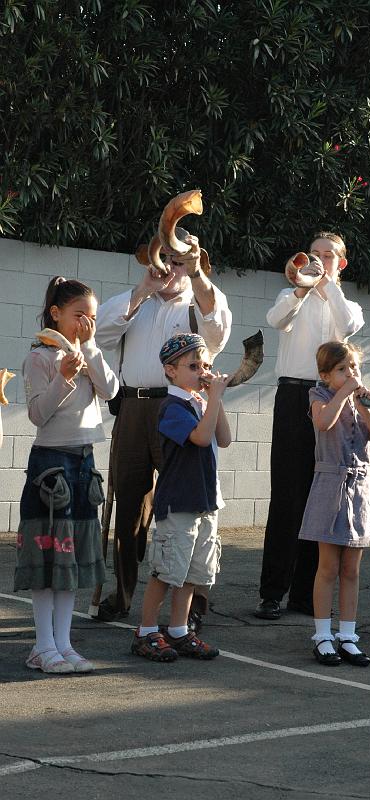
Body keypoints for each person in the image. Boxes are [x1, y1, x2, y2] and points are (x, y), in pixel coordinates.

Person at [95, 235, 232, 624]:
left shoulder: (201, 298)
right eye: (163, 258)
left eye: (178, 261)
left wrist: (197, 273)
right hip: (135, 406)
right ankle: (122, 595)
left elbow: (218, 331)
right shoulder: (135, 299)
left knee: (192, 503)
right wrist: (142, 290)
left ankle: (192, 608)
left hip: (183, 406)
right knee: (129, 506)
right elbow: (101, 334)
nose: (168, 267)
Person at [255, 232, 364, 620]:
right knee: (287, 495)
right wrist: (302, 288)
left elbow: (348, 326)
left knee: (322, 496)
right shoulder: (292, 299)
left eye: (328, 256)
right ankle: (272, 592)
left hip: (332, 400)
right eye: (314, 255)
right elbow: (275, 319)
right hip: (293, 397)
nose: (319, 261)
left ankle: (304, 595)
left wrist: (328, 286)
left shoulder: (347, 303)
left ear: (341, 263)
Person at [14, 276, 118, 674]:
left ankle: (64, 642)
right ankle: (42, 646)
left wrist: (90, 351)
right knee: (47, 561)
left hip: (84, 462)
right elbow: (39, 414)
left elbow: (110, 390)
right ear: (56, 314)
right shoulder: (41, 356)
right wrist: (65, 375)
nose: (86, 324)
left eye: (91, 317)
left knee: (70, 560)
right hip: (51, 464)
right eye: (79, 316)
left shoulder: (88, 351)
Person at [131, 333, 231, 661]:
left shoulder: (200, 402)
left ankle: (178, 629)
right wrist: (212, 399)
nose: (202, 371)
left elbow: (224, 438)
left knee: (193, 571)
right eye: (193, 365)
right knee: (167, 570)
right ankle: (146, 631)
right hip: (178, 502)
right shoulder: (171, 407)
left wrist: (216, 398)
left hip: (205, 500)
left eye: (206, 365)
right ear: (171, 370)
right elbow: (201, 439)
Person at [299, 341, 370, 666]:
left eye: (354, 367)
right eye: (342, 369)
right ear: (325, 375)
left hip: (359, 489)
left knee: (351, 569)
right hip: (330, 485)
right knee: (328, 567)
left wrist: (364, 404)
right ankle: (323, 636)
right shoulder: (319, 396)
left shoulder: (363, 401)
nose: (351, 374)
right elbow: (323, 423)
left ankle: (348, 636)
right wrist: (344, 393)